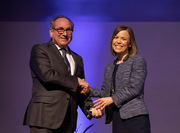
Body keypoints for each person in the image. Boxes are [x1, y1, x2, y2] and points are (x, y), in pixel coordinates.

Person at [23, 15, 103, 133]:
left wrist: (91, 108)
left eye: (68, 30)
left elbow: (80, 89)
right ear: (51, 31)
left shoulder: (78, 59)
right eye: (60, 29)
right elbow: (47, 76)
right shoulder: (40, 50)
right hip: (44, 118)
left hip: (68, 122)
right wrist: (76, 81)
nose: (64, 33)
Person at [89, 25, 151, 133]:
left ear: (130, 43)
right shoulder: (110, 67)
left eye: (123, 39)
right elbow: (105, 92)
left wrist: (112, 99)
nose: (118, 41)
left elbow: (134, 88)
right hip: (117, 117)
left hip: (135, 117)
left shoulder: (137, 61)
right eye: (116, 37)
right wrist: (88, 90)